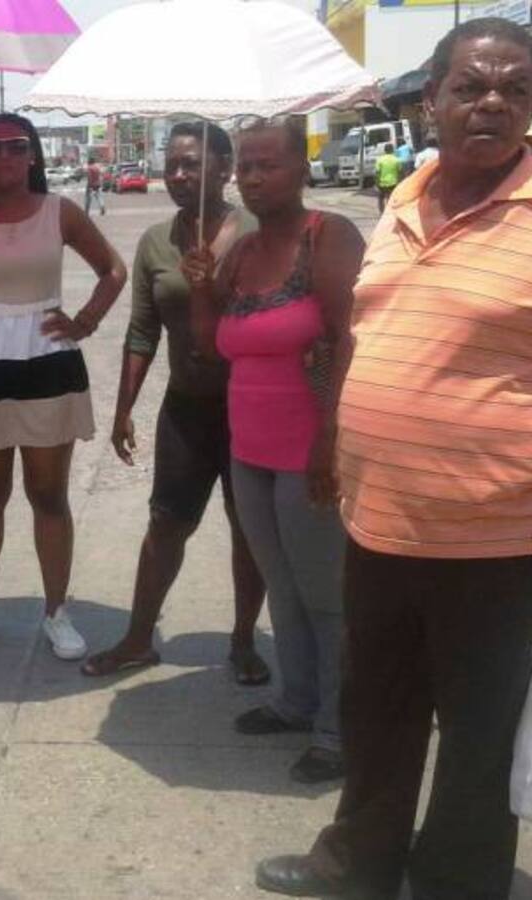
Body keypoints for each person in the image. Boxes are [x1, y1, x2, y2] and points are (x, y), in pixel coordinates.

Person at [257, 19, 532, 898]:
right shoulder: (404, 197)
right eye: (472, 86)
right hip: (379, 523)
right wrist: (337, 440)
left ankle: (458, 880)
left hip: (496, 539)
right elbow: (372, 334)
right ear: (431, 101)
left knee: (479, 732)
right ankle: (359, 863)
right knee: (374, 710)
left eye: (516, 89)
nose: (493, 103)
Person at [187, 116, 364, 784]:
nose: (254, 178)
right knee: (282, 587)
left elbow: (351, 338)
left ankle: (338, 731)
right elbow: (212, 346)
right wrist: (201, 286)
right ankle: (297, 701)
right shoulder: (241, 251)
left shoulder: (328, 237)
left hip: (308, 448)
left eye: (269, 164)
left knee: (325, 593)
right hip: (250, 449)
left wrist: (330, 436)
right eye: (246, 166)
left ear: (302, 169)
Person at [0, 113, 127, 661]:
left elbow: (113, 270)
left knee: (48, 495)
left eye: (16, 146)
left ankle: (56, 612)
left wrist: (85, 322)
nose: (4, 157)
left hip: (47, 359)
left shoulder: (60, 211)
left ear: (33, 153)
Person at [80, 122, 269, 685]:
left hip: (251, 410)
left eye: (193, 164)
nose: (180, 175)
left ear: (224, 168)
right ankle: (138, 638)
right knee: (166, 524)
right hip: (186, 408)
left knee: (248, 530)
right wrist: (123, 410)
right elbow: (143, 331)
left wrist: (216, 286)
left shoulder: (258, 234)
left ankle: (243, 642)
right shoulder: (156, 243)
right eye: (173, 165)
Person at [375, 143, 401, 213]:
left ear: (385, 150)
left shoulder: (380, 160)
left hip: (382, 183)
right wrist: (400, 181)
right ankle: (390, 212)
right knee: (391, 198)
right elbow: (400, 172)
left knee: (381, 198)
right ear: (392, 150)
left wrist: (377, 183)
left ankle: (382, 212)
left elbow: (377, 173)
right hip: (394, 182)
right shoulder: (396, 160)